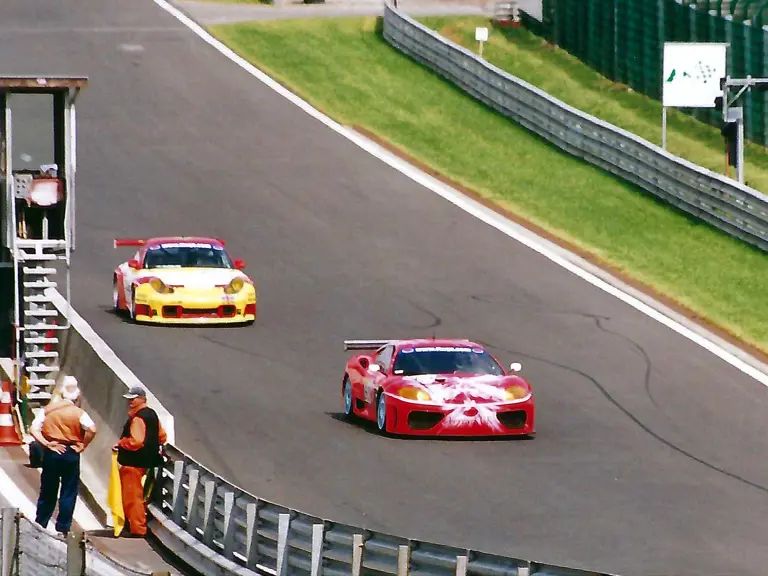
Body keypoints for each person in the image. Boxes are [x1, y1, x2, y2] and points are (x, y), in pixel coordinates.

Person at [29, 376, 97, 536]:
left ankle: (41, 522)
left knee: (48, 489)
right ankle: (63, 528)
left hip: (52, 451)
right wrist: (82, 445)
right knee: (68, 491)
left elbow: (33, 429)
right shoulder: (79, 413)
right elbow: (92, 429)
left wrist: (47, 443)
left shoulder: (48, 410)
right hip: (71, 452)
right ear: (77, 395)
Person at [114, 386, 167, 538]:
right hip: (149, 463)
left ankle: (137, 529)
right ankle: (138, 524)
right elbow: (162, 436)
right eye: (129, 399)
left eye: (133, 399)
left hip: (133, 463)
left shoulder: (137, 418)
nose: (130, 402)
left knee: (132, 497)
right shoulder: (152, 414)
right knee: (142, 496)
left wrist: (122, 442)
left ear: (142, 398)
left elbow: (136, 441)